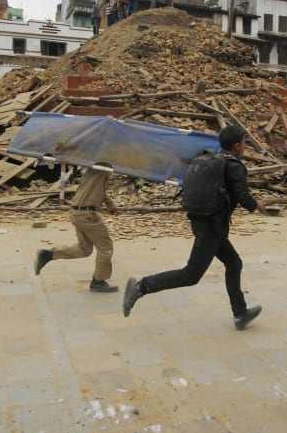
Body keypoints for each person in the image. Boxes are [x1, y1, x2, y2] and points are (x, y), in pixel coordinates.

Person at [122, 125, 266, 329]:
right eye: (244, 142)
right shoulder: (234, 166)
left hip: (204, 222)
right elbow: (243, 196)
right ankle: (141, 286)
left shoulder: (213, 160)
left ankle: (240, 313)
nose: (245, 146)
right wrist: (257, 205)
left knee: (234, 263)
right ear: (236, 146)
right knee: (191, 275)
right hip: (211, 228)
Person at [33, 163, 120, 293]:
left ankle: (48, 255)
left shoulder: (94, 171)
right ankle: (98, 281)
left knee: (84, 249)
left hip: (78, 212)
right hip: (87, 214)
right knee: (106, 248)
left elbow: (100, 191)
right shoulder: (101, 167)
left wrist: (110, 204)